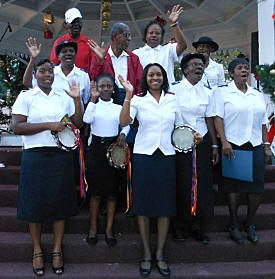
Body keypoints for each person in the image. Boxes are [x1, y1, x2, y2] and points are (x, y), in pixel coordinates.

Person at [119, 63, 202, 276]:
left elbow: (181, 127)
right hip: (144, 156)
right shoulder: (137, 99)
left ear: (164, 77)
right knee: (143, 205)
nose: (154, 78)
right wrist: (128, 94)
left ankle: (160, 253)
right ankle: (146, 252)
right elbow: (124, 121)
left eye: (158, 74)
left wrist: (194, 137)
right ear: (145, 78)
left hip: (167, 156)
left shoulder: (173, 99)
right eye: (150, 75)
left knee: (166, 206)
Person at [12, 59, 83, 276]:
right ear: (34, 75)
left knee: (59, 203)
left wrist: (77, 99)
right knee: (34, 205)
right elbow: (17, 127)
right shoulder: (26, 97)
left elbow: (78, 124)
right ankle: (37, 250)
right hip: (35, 156)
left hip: (60, 156)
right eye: (42, 71)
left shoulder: (63, 96)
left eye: (50, 72)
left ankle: (57, 249)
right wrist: (48, 126)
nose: (47, 75)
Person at [214, 58, 272, 244]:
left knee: (256, 188)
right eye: (239, 68)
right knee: (234, 188)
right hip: (233, 144)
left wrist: (266, 146)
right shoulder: (223, 93)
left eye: (246, 68)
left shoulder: (256, 94)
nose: (243, 70)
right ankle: (233, 224)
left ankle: (250, 222)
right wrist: (223, 142)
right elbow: (218, 119)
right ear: (231, 73)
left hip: (254, 144)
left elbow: (263, 122)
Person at [170, 53, 219, 244]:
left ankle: (197, 226)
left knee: (201, 183)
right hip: (179, 141)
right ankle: (179, 225)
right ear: (185, 69)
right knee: (182, 181)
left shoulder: (208, 92)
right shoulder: (174, 89)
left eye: (201, 65)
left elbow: (210, 119)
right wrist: (185, 135)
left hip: (202, 142)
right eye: (195, 64)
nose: (199, 67)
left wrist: (214, 144)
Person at [83, 73, 129, 246]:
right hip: (95, 148)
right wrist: (93, 100)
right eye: (102, 86)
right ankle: (93, 228)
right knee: (95, 193)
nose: (105, 89)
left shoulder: (118, 107)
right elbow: (86, 119)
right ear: (97, 89)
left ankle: (109, 229)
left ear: (113, 88)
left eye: (109, 86)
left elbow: (126, 123)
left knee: (111, 193)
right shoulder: (94, 105)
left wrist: (123, 133)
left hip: (113, 148)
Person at [23, 38, 90, 112]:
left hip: (75, 120)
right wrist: (33, 59)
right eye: (64, 52)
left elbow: (85, 100)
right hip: (53, 118)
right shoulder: (50, 72)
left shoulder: (83, 75)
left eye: (71, 51)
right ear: (58, 57)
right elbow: (28, 83)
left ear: (75, 54)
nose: (68, 54)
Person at [88, 22, 143, 103]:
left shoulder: (133, 58)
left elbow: (140, 83)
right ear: (115, 36)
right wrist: (100, 61)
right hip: (107, 101)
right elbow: (93, 80)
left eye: (130, 36)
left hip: (130, 101)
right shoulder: (100, 57)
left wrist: (138, 101)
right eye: (126, 35)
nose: (129, 39)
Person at [133, 5, 187, 84]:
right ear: (145, 35)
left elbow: (183, 45)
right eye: (151, 33)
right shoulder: (136, 53)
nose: (154, 35)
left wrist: (174, 24)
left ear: (161, 37)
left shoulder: (168, 49)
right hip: (145, 94)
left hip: (167, 93)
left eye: (157, 33)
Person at [50, 8, 94, 73]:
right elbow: (55, 65)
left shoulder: (89, 43)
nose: (76, 24)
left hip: (83, 81)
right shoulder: (59, 42)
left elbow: (93, 67)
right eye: (73, 22)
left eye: (78, 22)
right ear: (66, 24)